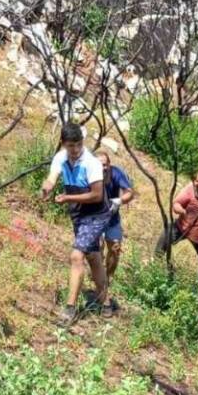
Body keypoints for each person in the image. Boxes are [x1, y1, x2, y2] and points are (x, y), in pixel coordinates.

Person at [41, 123, 114, 325]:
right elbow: (51, 178)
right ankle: (105, 302)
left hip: (96, 214)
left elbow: (97, 195)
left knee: (76, 256)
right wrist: (47, 188)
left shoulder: (91, 163)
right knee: (93, 257)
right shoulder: (61, 157)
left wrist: (68, 199)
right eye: (71, 145)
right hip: (78, 215)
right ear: (63, 143)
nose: (75, 149)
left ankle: (70, 309)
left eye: (78, 144)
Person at [155, 170, 198, 289]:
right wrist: (181, 211)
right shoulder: (189, 189)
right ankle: (155, 261)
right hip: (183, 227)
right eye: (197, 181)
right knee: (166, 235)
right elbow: (176, 203)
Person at [98, 149, 135, 289]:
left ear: (109, 164)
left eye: (105, 165)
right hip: (95, 218)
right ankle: (98, 276)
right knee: (98, 246)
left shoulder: (116, 173)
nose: (103, 168)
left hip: (112, 218)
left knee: (115, 248)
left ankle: (108, 277)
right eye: (100, 165)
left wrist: (119, 201)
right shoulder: (89, 174)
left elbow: (129, 192)